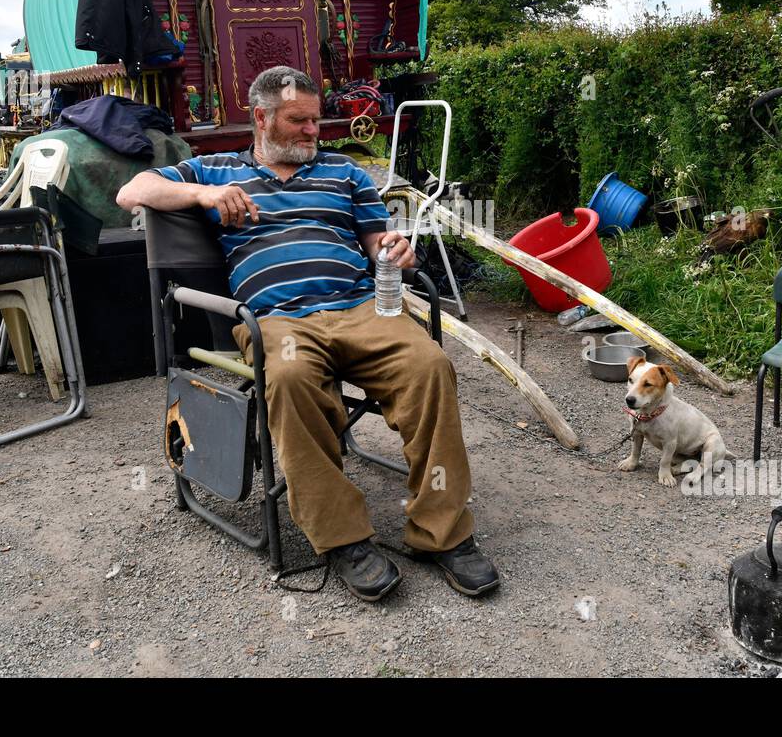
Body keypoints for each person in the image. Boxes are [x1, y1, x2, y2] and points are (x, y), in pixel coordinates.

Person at [116, 66, 500, 601]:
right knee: (292, 378)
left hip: (362, 309)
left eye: (317, 121)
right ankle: (343, 539)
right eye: (299, 121)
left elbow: (375, 241)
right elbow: (132, 190)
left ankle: (442, 534)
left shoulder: (345, 173)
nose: (312, 131)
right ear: (261, 118)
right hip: (276, 318)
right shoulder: (216, 169)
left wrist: (393, 250)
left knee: (430, 367)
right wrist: (206, 197)